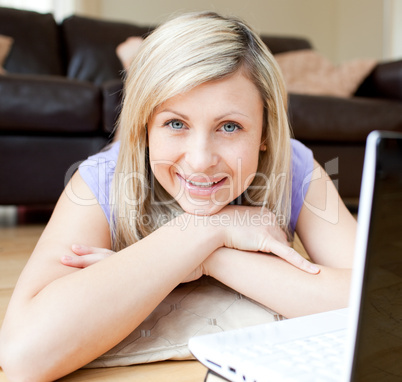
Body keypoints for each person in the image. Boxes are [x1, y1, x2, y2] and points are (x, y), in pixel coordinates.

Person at [0, 11, 356, 381]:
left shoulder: (293, 165)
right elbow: (26, 355)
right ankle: (137, 72)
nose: (201, 160)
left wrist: (210, 258)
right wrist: (208, 228)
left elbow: (379, 299)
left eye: (230, 126)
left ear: (265, 131)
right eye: (175, 123)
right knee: (132, 154)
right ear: (147, 125)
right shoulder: (99, 180)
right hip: (134, 160)